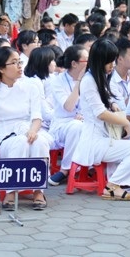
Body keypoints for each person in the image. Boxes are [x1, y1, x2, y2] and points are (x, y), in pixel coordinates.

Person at [72, 39, 130, 201]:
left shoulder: (100, 77)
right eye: (110, 61)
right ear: (101, 60)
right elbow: (100, 113)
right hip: (95, 142)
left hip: (106, 137)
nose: (113, 65)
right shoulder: (89, 80)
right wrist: (125, 122)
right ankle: (113, 185)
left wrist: (113, 104)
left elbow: (105, 103)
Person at [0, 46, 52, 210]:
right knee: (20, 143)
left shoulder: (30, 86)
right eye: (14, 63)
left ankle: (38, 191)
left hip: (28, 130)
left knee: (39, 142)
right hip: (5, 137)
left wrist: (33, 131)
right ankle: (11, 191)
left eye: (19, 62)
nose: (20, 66)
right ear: (1, 68)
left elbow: (36, 116)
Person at [45, 45, 88, 186]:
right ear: (74, 64)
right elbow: (69, 107)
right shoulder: (58, 81)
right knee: (76, 127)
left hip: (84, 122)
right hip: (62, 125)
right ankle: (65, 170)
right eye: (86, 61)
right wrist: (80, 82)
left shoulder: (91, 79)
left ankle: (91, 167)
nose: (90, 63)